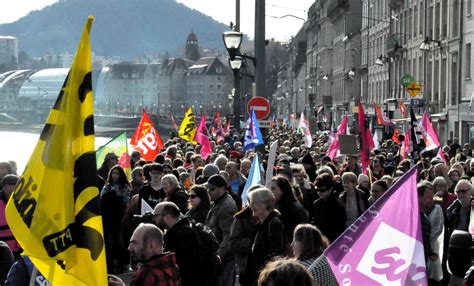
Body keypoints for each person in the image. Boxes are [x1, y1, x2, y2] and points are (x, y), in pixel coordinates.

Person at [153, 202, 211, 286]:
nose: (153, 219)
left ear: (168, 217)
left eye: (155, 215)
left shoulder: (179, 235)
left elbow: (172, 264)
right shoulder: (187, 228)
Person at [108, 223, 182, 286]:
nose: (129, 248)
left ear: (151, 245)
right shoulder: (173, 266)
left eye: (134, 242)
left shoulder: (147, 274)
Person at [243, 187, 287, 286]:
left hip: (266, 279)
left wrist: (267, 279)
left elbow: (275, 256)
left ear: (264, 203)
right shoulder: (261, 224)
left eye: (253, 202)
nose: (250, 206)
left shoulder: (274, 223)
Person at [205, 174, 238, 286]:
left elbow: (228, 235)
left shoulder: (226, 206)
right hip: (216, 254)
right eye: (208, 189)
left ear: (222, 188)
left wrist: (219, 256)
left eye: (212, 189)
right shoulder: (217, 202)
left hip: (225, 259)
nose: (209, 191)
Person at [100, 165, 132, 274]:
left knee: (121, 241)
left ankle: (121, 264)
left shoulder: (125, 187)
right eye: (113, 173)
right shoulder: (107, 186)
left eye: (117, 173)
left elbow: (126, 201)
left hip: (120, 217)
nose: (115, 176)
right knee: (110, 242)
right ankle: (111, 265)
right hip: (109, 218)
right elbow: (102, 199)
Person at [270, 176, 308, 242]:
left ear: (282, 190)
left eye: (273, 189)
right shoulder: (277, 205)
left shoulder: (293, 208)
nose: (271, 191)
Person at [310, 173, 346, 242]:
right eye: (318, 190)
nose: (319, 192)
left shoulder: (338, 206)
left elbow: (339, 230)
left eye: (322, 190)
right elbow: (315, 221)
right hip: (319, 240)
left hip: (333, 242)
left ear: (330, 188)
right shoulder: (317, 203)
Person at [0, 175, 21, 258]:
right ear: (4, 187)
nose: (11, 187)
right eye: (8, 185)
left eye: (14, 185)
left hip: (20, 247)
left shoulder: (24, 200)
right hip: (3, 248)